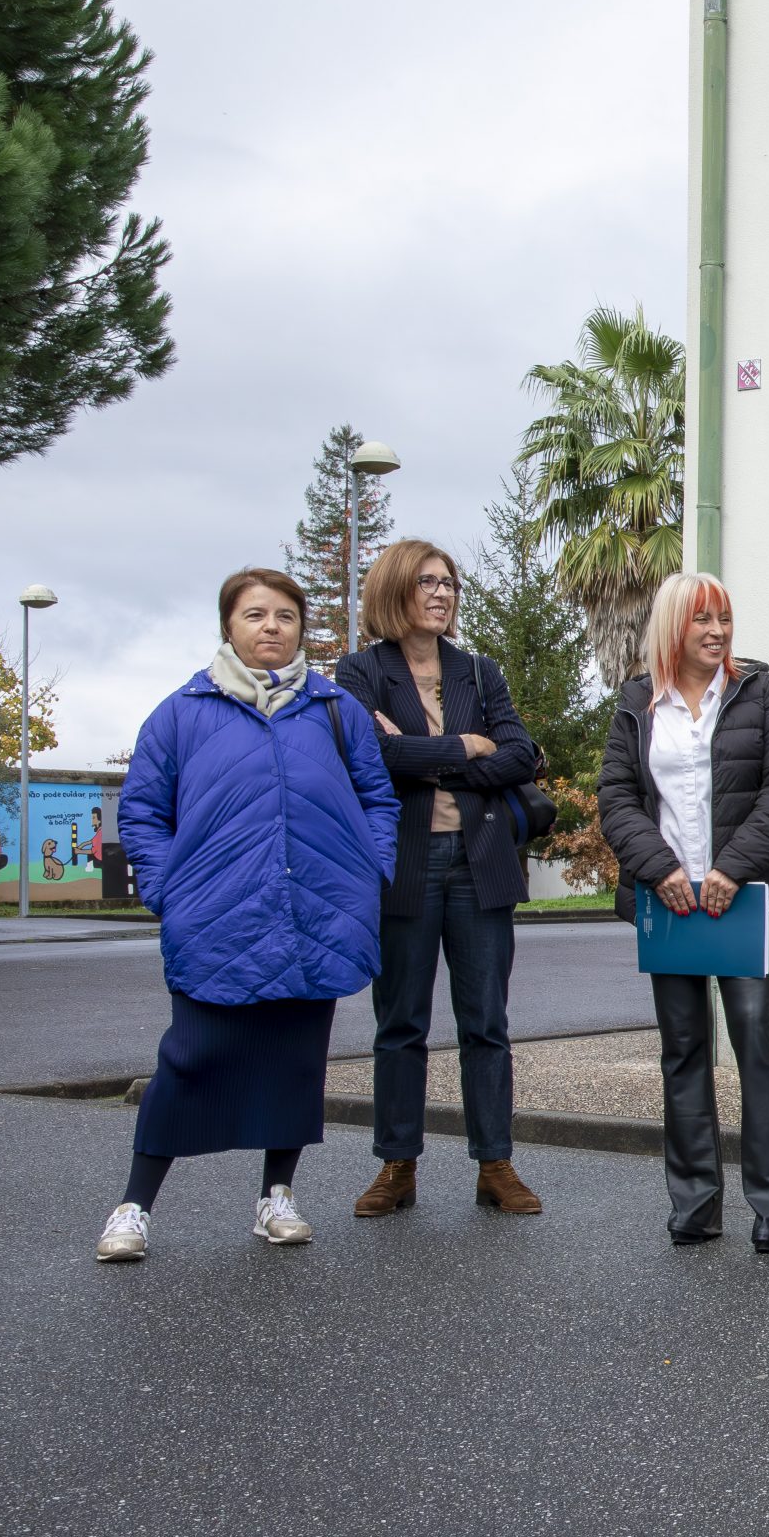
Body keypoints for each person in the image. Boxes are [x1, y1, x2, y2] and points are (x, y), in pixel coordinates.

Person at [94, 569, 399, 1262]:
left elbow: (379, 800)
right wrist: (172, 890)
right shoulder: (181, 711)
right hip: (215, 916)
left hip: (315, 914)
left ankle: (277, 1195)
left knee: (295, 1063)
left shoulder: (335, 710)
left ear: (301, 628)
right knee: (190, 1058)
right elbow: (142, 810)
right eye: (255, 614)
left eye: (285, 615)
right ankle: (134, 1205)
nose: (271, 626)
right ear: (228, 626)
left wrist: (368, 872)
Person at [598, 573, 769, 1252]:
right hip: (670, 903)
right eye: (701, 620)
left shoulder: (763, 693)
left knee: (756, 1036)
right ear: (671, 628)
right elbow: (617, 799)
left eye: (724, 618)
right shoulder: (637, 703)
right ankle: (694, 1202)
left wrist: (730, 868)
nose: (717, 631)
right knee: (683, 1046)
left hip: (746, 897)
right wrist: (660, 868)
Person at [336, 540, 544, 1220]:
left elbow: (520, 754)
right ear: (395, 588)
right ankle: (398, 1164)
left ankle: (495, 1162)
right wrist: (463, 746)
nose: (442, 592)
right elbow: (368, 755)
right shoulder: (361, 671)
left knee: (486, 1021)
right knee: (401, 1022)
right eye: (427, 580)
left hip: (480, 861)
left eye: (449, 582)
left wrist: (426, 758)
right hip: (404, 863)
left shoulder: (479, 673)